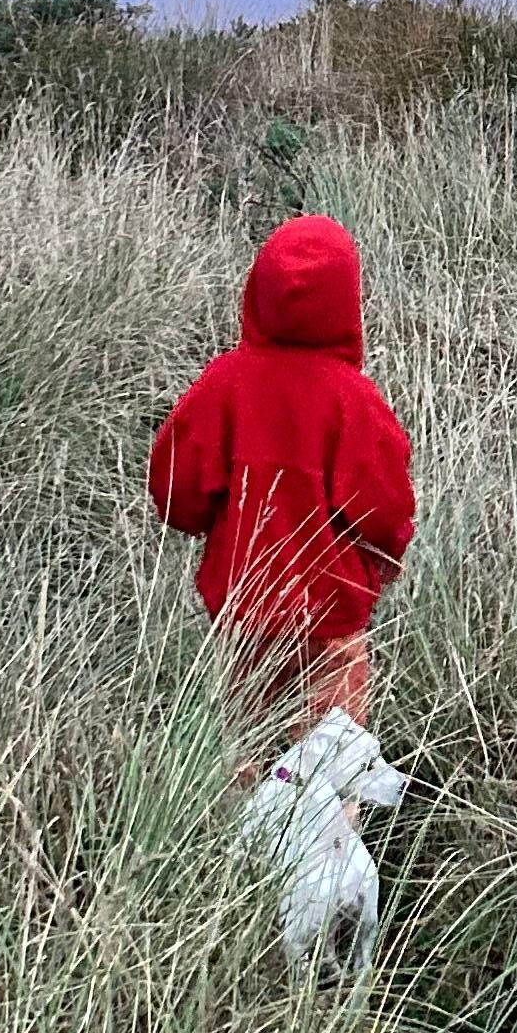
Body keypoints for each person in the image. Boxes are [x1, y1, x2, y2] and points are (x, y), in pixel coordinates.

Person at [147, 212, 415, 759]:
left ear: (259, 290)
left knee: (249, 764)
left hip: (245, 622)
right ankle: (322, 844)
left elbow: (175, 490)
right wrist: (376, 571)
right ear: (346, 303)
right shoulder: (355, 402)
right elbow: (386, 512)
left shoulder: (224, 385)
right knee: (330, 782)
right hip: (331, 625)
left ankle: (247, 846)